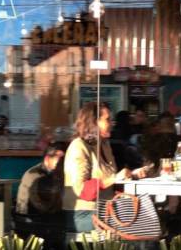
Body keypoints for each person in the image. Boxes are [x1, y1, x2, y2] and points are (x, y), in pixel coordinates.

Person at [62, 102, 145, 239]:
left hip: (104, 209)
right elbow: (82, 190)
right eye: (107, 119)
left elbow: (111, 180)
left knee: (141, 215)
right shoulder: (79, 147)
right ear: (94, 122)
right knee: (136, 223)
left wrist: (132, 175)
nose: (112, 123)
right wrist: (114, 179)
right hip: (83, 214)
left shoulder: (104, 145)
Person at [15, 142, 68, 250]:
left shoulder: (55, 174)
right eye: (60, 158)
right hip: (31, 222)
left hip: (41, 221)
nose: (62, 162)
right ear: (47, 158)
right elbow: (41, 204)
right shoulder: (36, 175)